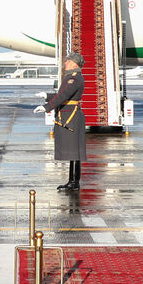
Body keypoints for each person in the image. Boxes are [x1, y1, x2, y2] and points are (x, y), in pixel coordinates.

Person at [35, 51, 86, 191]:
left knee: (75, 151)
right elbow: (61, 95)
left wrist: (46, 107)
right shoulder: (71, 77)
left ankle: (74, 182)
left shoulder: (74, 79)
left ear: (74, 64)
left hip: (71, 116)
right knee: (73, 151)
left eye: (68, 61)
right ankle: (72, 181)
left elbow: (63, 96)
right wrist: (47, 95)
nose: (65, 63)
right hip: (69, 115)